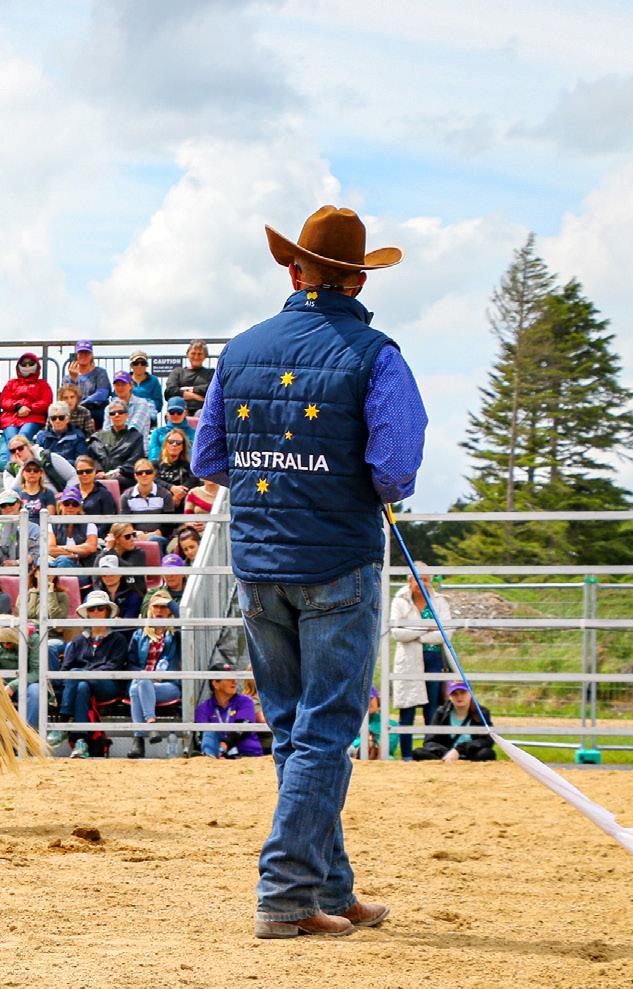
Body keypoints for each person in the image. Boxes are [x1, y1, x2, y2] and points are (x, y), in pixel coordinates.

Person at [190, 204, 425, 939]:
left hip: (260, 563)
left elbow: (207, 458)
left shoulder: (239, 351)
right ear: (358, 280)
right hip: (336, 562)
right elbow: (394, 469)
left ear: (293, 273)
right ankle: (286, 892)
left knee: (296, 731)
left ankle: (331, 886)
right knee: (324, 731)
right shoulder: (376, 355)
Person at [50, 589, 128, 759]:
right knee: (82, 687)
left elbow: (113, 667)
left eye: (100, 608)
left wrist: (83, 673)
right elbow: (65, 668)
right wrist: (80, 676)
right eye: (92, 609)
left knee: (77, 675)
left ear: (107, 612)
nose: (96, 612)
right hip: (81, 683)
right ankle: (81, 740)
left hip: (108, 684)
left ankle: (63, 721)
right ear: (88, 613)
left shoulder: (118, 639)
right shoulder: (78, 641)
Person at [389, 565, 455, 762]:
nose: (421, 583)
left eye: (425, 579)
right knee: (407, 708)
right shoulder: (400, 600)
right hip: (408, 661)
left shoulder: (440, 601)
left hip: (434, 658)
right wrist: (426, 628)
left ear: (431, 581)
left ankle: (430, 753)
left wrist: (415, 634)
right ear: (410, 581)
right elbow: (396, 633)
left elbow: (446, 632)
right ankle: (406, 755)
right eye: (417, 579)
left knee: (432, 708)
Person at [127, 589, 183, 758]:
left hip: (168, 685)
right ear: (150, 609)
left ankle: (139, 740)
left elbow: (185, 621)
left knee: (136, 687)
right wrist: (144, 675)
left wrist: (171, 604)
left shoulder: (176, 634)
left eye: (163, 607)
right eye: (156, 606)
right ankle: (150, 723)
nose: (159, 611)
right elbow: (131, 664)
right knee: (140, 682)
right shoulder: (139, 634)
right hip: (143, 683)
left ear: (170, 610)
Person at [0, 352, 51, 471]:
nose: (27, 366)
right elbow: (3, 400)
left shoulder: (42, 384)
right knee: (12, 438)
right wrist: (17, 406)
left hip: (33, 417)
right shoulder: (11, 383)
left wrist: (29, 408)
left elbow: (46, 402)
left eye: (31, 363)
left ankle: (17, 465)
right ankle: (15, 466)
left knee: (23, 436)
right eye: (24, 364)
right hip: (11, 417)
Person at [195, 664, 266, 759]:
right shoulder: (203, 708)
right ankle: (210, 757)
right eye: (228, 678)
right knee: (208, 732)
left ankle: (211, 757)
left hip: (248, 755)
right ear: (215, 684)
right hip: (218, 755)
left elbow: (243, 727)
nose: (234, 681)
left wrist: (224, 746)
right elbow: (202, 736)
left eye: (234, 677)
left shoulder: (245, 701)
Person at [418, 682, 495, 762]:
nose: (459, 697)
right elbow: (429, 741)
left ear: (470, 694)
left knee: (487, 753)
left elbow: (487, 740)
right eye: (454, 693)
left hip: (471, 756)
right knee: (418, 752)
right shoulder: (441, 712)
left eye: (463, 692)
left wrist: (459, 750)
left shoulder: (482, 713)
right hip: (445, 756)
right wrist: (446, 753)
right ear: (449, 696)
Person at [121, 460, 173, 547]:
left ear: (154, 474)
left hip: (161, 537)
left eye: (148, 472)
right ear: (135, 475)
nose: (144, 475)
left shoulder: (165, 495)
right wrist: (136, 533)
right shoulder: (126, 497)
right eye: (140, 473)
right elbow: (125, 523)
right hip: (135, 537)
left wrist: (155, 534)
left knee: (154, 540)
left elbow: (169, 524)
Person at [92, 400, 146, 481]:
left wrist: (120, 470)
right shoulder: (98, 437)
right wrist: (98, 470)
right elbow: (92, 457)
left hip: (125, 478)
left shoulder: (136, 437)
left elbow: (135, 461)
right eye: (113, 413)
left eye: (120, 412)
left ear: (126, 415)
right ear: (109, 417)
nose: (117, 415)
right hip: (100, 478)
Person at [1, 434, 75, 493]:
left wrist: (66, 494)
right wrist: (23, 468)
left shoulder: (48, 458)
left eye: (20, 448)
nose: (17, 452)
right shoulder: (10, 470)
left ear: (28, 447)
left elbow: (73, 476)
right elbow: (12, 492)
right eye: (13, 451)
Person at [46, 488, 98, 571]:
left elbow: (91, 548)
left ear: (79, 508)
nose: (70, 507)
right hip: (57, 566)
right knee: (44, 561)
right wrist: (76, 553)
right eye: (66, 503)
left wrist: (64, 548)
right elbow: (50, 550)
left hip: (82, 569)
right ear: (60, 506)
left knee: (63, 560)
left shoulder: (89, 525)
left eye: (75, 504)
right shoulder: (52, 525)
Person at [63, 340, 110, 425]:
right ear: (76, 355)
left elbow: (102, 394)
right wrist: (74, 380)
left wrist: (82, 403)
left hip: (96, 409)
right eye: (81, 353)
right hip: (74, 411)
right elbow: (66, 397)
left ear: (91, 355)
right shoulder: (67, 378)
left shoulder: (100, 372)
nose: (83, 355)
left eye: (87, 353)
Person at [165, 339, 214, 415]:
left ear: (205, 356)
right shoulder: (178, 372)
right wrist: (196, 396)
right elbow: (169, 392)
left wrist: (188, 389)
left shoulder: (211, 373)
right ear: (188, 354)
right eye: (193, 353)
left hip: (203, 410)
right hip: (179, 411)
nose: (196, 357)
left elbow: (211, 390)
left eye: (199, 354)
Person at [13, 457, 57, 542]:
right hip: (20, 532)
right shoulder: (16, 493)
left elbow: (50, 518)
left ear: (41, 473)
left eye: (36, 470)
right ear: (23, 473)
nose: (32, 473)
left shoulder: (48, 493)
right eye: (28, 470)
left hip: (41, 533)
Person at [35, 402, 87, 467]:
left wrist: (59, 463)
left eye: (61, 417)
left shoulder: (78, 436)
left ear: (68, 418)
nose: (57, 421)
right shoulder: (41, 436)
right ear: (49, 420)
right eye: (53, 418)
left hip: (71, 470)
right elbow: (38, 459)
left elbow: (81, 461)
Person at [93, 553, 141, 624]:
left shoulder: (132, 594)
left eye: (112, 573)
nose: (108, 576)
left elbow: (131, 617)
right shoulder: (97, 595)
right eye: (104, 574)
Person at [71, 456, 119, 524]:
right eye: (80, 472)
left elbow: (108, 521)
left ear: (94, 471)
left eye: (88, 471)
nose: (84, 474)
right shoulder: (71, 493)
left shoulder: (104, 494)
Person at [148, 397, 194, 461]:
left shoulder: (195, 434)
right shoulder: (157, 433)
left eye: (179, 412)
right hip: (162, 466)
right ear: (167, 413)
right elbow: (153, 458)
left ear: (185, 413)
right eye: (172, 412)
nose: (175, 415)